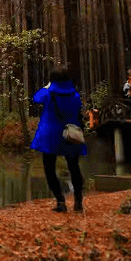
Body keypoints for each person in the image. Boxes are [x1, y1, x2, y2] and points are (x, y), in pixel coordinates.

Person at [31, 66, 87, 212]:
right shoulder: (74, 94)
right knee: (74, 167)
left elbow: (36, 98)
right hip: (70, 133)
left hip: (50, 134)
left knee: (49, 168)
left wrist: (47, 86)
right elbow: (77, 109)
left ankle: (60, 201)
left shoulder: (48, 93)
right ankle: (78, 202)